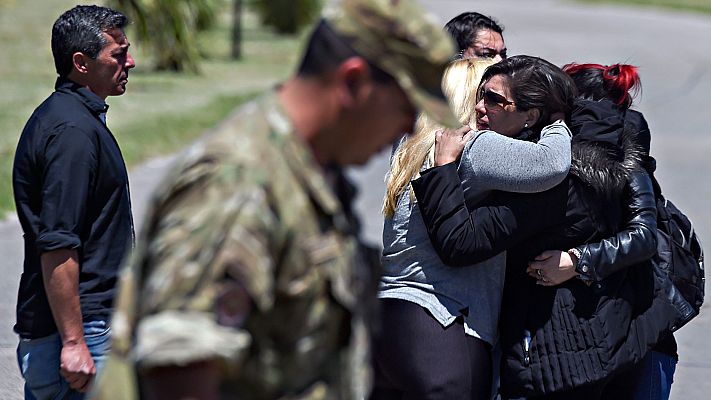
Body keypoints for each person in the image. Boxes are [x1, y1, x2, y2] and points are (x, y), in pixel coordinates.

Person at [90, 1, 458, 399]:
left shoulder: (311, 173)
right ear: (352, 83)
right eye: (407, 107)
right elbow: (180, 377)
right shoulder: (239, 183)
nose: (408, 127)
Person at [411, 57, 683, 399]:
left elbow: (463, 242)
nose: (481, 107)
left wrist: (577, 260)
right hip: (631, 333)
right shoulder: (621, 155)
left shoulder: (551, 173)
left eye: (493, 99)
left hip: (561, 348)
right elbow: (646, 233)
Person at [375, 55, 574, 399]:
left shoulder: (410, 146)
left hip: (388, 318)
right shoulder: (474, 146)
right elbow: (551, 162)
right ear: (468, 98)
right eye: (484, 95)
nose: (485, 107)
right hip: (444, 322)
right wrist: (556, 120)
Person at [530, 62, 678, 400]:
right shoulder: (562, 159)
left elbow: (643, 237)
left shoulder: (626, 164)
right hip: (617, 332)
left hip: (632, 330)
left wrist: (576, 260)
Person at [11, 5, 136, 399]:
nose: (129, 61)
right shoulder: (72, 134)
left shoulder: (75, 119)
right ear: (80, 63)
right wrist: (73, 343)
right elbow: (58, 243)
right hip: (81, 333)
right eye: (117, 54)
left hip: (84, 327)